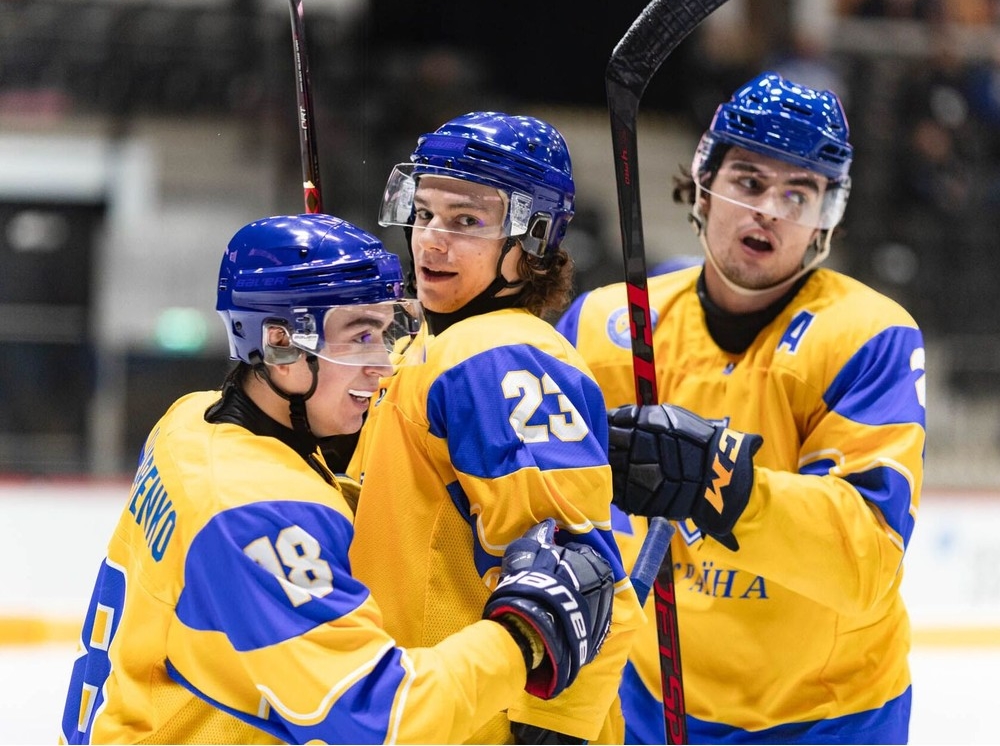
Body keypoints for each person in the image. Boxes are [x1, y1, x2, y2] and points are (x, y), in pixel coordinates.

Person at [59, 213, 616, 745]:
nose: (383, 362)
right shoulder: (255, 516)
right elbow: (380, 722)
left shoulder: (191, 421)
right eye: (358, 336)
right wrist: (521, 636)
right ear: (279, 344)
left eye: (384, 330)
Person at [556, 72, 926, 743]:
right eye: (750, 182)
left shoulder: (866, 337)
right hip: (649, 701)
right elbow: (532, 496)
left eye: (799, 194)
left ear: (825, 220)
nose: (771, 211)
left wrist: (725, 484)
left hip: (833, 713)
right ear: (704, 187)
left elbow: (867, 558)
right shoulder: (604, 326)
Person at [347, 111, 644, 744]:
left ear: (532, 240)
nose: (430, 240)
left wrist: (554, 731)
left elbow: (585, 574)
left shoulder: (497, 355)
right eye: (423, 212)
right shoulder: (425, 345)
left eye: (466, 221)